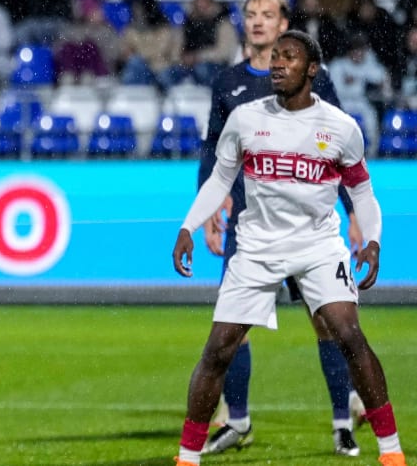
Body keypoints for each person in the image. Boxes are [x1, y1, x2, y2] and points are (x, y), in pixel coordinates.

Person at [172, 30, 406, 466]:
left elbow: (362, 193)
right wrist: (189, 225)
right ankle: (187, 457)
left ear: (312, 69)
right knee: (219, 348)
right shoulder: (245, 119)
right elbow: (221, 179)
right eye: (275, 56)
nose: (277, 63)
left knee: (349, 336)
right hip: (256, 246)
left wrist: (373, 240)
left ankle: (391, 452)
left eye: (289, 57)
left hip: (318, 246)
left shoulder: (340, 127)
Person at [197, 0, 367, 457]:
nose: (257, 22)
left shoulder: (314, 79)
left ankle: (341, 422)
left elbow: (340, 146)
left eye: (267, 15)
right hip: (249, 226)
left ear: (284, 24)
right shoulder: (228, 83)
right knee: (233, 326)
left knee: (326, 323)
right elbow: (212, 151)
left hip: (306, 226)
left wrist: (354, 214)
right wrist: (208, 207)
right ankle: (238, 421)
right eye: (251, 14)